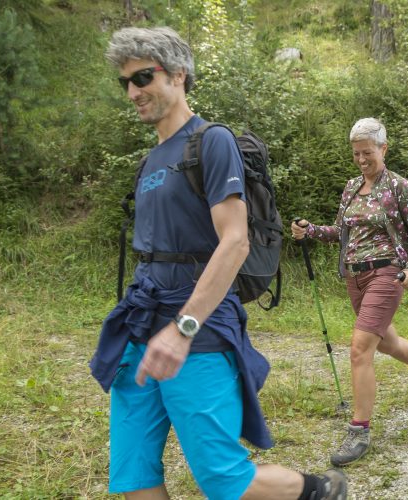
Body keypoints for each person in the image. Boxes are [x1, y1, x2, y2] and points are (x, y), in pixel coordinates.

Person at [89, 26, 347, 500]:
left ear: (179, 74)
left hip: (197, 330)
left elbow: (235, 242)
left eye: (143, 77)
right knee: (133, 474)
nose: (132, 91)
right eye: (124, 82)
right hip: (141, 322)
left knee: (223, 479)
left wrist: (183, 328)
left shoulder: (210, 142)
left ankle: (316, 490)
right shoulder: (150, 161)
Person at [291, 117, 408, 467]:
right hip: (353, 277)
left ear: (383, 149)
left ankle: (359, 429)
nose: (361, 159)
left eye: (367, 152)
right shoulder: (351, 187)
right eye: (356, 153)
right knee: (384, 340)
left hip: (387, 273)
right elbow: (340, 232)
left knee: (360, 348)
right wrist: (310, 230)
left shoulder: (399, 186)